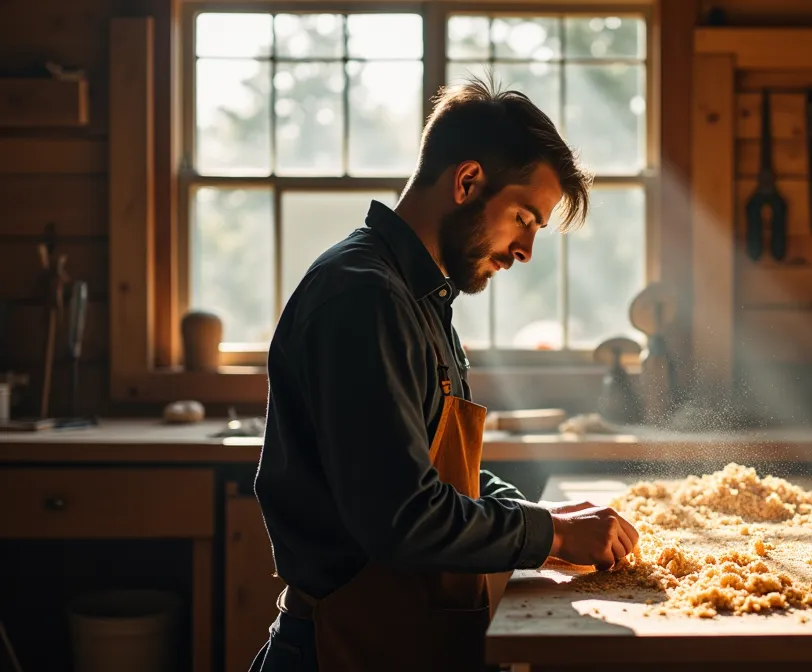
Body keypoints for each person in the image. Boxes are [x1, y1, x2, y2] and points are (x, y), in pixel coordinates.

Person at [247, 77, 640, 672]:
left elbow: (433, 470)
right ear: (467, 181)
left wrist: (548, 520)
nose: (526, 249)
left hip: (402, 634)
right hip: (341, 646)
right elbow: (403, 516)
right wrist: (550, 536)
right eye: (525, 218)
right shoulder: (363, 297)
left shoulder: (422, 297)